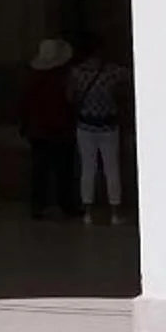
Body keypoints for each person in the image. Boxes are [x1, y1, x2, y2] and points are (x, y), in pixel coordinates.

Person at [66, 32, 132, 224]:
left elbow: (70, 97)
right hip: (108, 125)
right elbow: (128, 80)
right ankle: (115, 213)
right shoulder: (113, 72)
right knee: (112, 168)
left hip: (85, 125)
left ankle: (87, 212)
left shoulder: (77, 73)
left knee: (88, 169)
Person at [18, 39, 79, 219]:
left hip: (38, 131)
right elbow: (71, 101)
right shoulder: (65, 77)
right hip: (62, 130)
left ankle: (38, 205)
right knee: (64, 170)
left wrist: (23, 126)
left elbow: (24, 104)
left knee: (40, 171)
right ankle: (67, 205)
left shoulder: (31, 79)